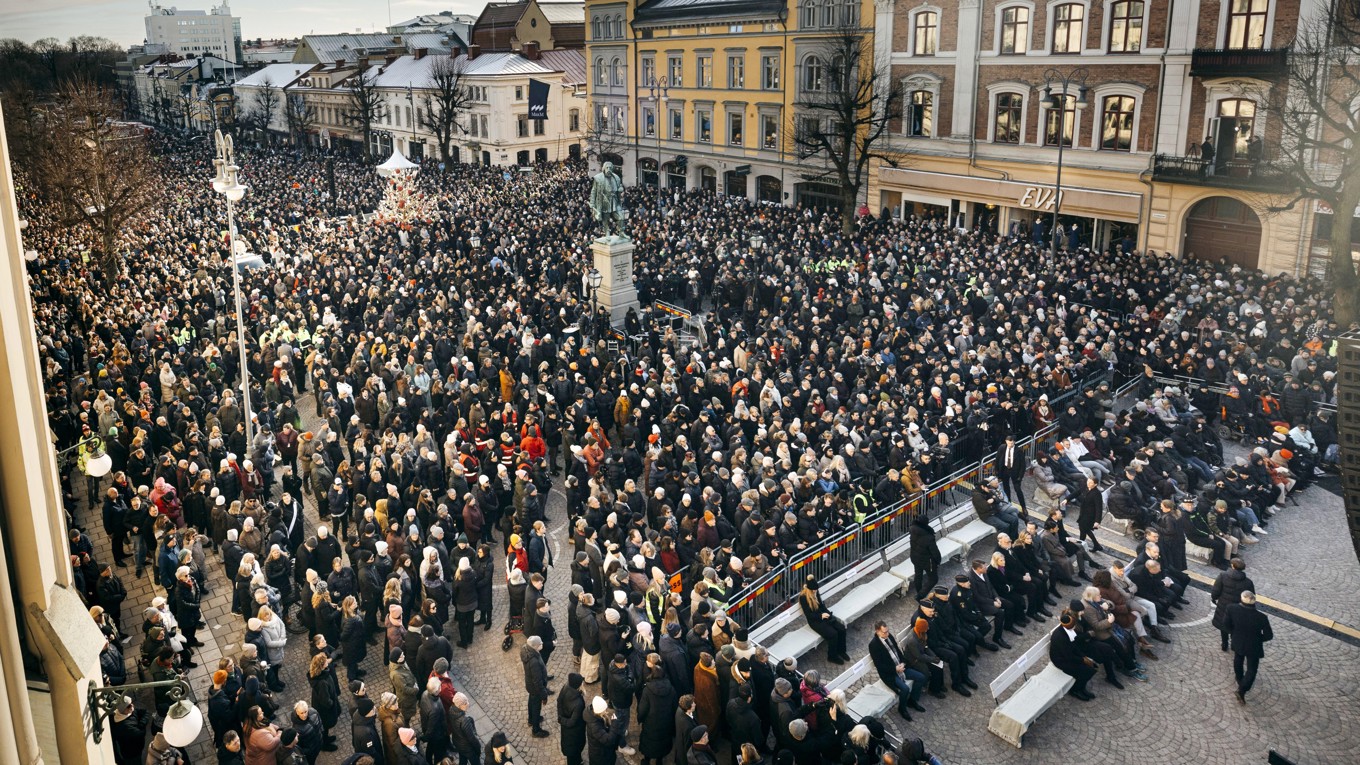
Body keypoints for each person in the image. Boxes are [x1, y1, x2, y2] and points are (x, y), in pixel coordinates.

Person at [867, 620, 925, 720]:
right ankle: (902, 709)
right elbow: (880, 666)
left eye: (887, 631)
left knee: (921, 677)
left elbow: (898, 652)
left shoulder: (889, 637)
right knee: (905, 689)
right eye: (884, 632)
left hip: (900, 667)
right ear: (877, 631)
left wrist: (903, 663)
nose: (887, 634)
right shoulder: (873, 645)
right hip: (889, 673)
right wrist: (895, 669)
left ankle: (912, 700)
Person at [1224, 590, 1273, 703]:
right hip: (1254, 646)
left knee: (1238, 659)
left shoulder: (1231, 608)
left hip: (1238, 640)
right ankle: (1242, 689)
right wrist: (1257, 639)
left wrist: (1234, 633)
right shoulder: (1261, 617)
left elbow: (1226, 624)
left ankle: (1240, 679)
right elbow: (1269, 635)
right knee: (1252, 669)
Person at [798, 576, 848, 664]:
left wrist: (828, 614)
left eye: (816, 590)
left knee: (841, 628)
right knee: (833, 634)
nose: (815, 592)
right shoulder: (803, 597)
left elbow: (821, 605)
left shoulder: (815, 592)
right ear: (809, 589)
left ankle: (841, 650)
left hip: (822, 615)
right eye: (813, 590)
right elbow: (809, 615)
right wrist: (821, 616)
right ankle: (832, 656)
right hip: (815, 621)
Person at [1049, 608, 1097, 701]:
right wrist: (1083, 660)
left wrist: (1083, 656)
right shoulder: (1061, 637)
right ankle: (1075, 690)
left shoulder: (1067, 630)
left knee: (1091, 668)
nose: (1075, 627)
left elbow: (1074, 647)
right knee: (1088, 671)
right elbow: (1068, 656)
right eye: (1074, 626)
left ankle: (1081, 688)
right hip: (1061, 660)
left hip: (1069, 656)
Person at [1211, 558, 1255, 652]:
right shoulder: (1248, 582)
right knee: (1235, 626)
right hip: (1239, 609)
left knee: (1224, 625)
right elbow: (1251, 596)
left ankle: (1224, 643)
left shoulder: (1223, 576)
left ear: (1232, 566)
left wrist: (1214, 598)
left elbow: (1216, 590)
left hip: (1224, 606)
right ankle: (1234, 643)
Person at [522, 634, 551, 737]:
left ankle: (531, 719)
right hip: (535, 688)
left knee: (531, 701)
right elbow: (537, 682)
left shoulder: (526, 650)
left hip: (530, 685)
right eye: (540, 644)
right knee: (536, 707)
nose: (542, 644)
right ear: (534, 646)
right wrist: (544, 695)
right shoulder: (534, 661)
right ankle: (536, 729)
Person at [558, 673, 588, 765]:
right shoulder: (578, 703)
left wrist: (560, 716)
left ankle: (578, 760)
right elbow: (572, 722)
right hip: (575, 732)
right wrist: (561, 719)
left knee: (573, 752)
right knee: (574, 752)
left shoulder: (565, 687)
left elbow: (559, 701)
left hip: (567, 730)